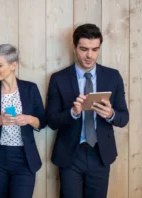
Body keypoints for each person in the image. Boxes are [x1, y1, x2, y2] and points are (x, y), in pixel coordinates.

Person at [46, 23, 129, 198]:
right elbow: (52, 121)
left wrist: (110, 114)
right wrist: (72, 113)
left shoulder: (113, 76)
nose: (89, 55)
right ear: (75, 47)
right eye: (84, 49)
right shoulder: (58, 79)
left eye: (94, 49)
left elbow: (124, 117)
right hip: (70, 154)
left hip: (101, 154)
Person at [0, 44, 46, 198]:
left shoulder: (30, 89)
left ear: (13, 65)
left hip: (24, 159)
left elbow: (42, 122)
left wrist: (28, 119)